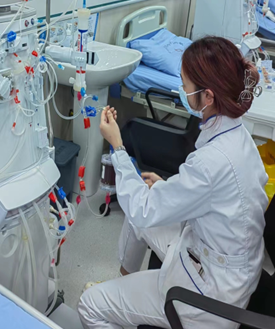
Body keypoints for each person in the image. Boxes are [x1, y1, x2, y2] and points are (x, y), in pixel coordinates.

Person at [78, 37, 268, 329]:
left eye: (185, 84)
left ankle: (117, 304)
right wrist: (166, 186)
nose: (182, 89)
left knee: (89, 305)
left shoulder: (211, 161)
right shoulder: (238, 134)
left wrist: (117, 146)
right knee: (141, 205)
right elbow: (213, 194)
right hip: (223, 261)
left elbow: (144, 209)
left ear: (208, 96)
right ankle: (125, 292)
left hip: (210, 297)